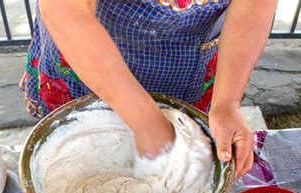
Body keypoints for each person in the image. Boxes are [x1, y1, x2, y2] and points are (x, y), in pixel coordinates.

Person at [20, 0, 277, 177]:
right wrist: (148, 123)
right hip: (92, 56)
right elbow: (66, 12)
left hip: (188, 65)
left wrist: (227, 101)